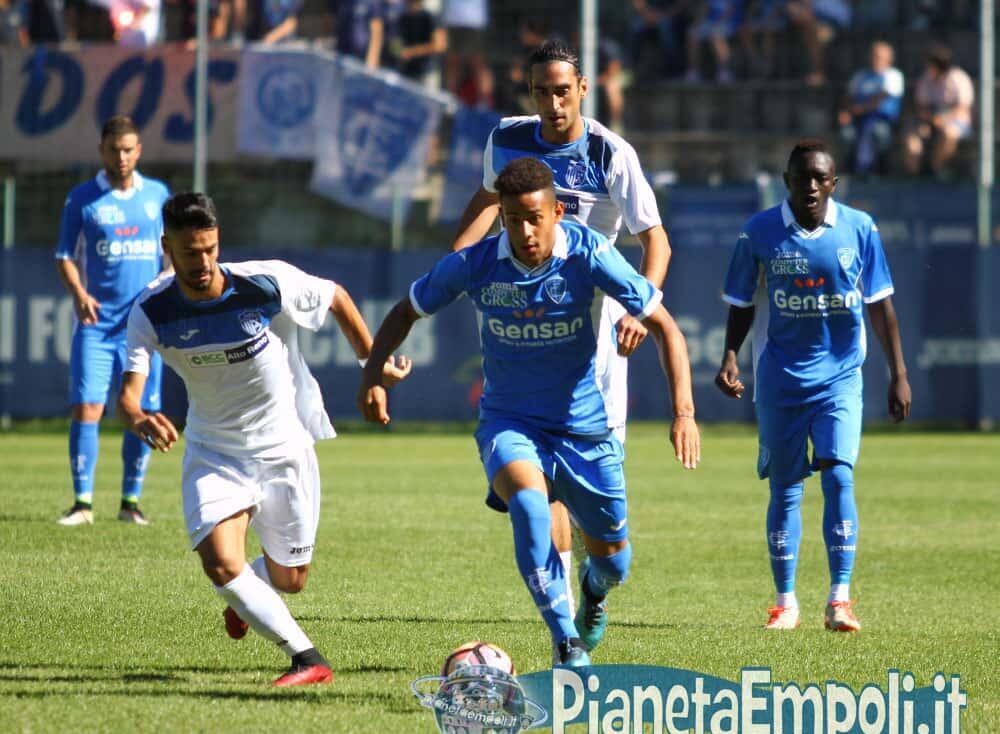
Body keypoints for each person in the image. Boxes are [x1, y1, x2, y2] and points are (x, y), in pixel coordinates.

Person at [359, 157, 699, 666]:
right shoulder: (476, 263)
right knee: (529, 507)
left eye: (535, 218)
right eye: (513, 219)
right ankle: (567, 642)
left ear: (557, 212)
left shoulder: (589, 253)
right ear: (500, 216)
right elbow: (407, 310)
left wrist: (684, 413)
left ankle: (594, 591)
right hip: (509, 422)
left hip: (583, 429)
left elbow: (666, 328)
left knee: (615, 563)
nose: (524, 232)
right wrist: (372, 376)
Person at [118, 192, 411, 686]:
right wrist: (138, 416)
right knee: (220, 563)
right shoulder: (151, 310)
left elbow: (336, 297)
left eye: (210, 249)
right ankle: (308, 658)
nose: (203, 263)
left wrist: (372, 368)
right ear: (167, 248)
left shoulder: (263, 283)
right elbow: (128, 397)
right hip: (215, 451)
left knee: (290, 580)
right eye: (190, 252)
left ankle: (248, 598)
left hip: (284, 448)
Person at [452, 39, 672, 633]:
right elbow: (488, 201)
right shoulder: (507, 139)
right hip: (531, 324)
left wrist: (639, 308)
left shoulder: (610, 153)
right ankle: (564, 622)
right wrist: (460, 260)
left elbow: (655, 239)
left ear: (582, 90)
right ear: (530, 93)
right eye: (542, 92)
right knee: (540, 481)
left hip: (596, 335)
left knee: (596, 509)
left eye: (563, 91)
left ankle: (595, 587)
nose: (553, 104)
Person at [715, 139, 911, 633]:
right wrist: (731, 355)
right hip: (781, 381)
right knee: (785, 489)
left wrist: (899, 374)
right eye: (802, 177)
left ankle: (839, 600)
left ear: (833, 183)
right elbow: (741, 303)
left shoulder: (860, 229)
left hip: (840, 378)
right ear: (787, 182)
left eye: (820, 178)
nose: (811, 186)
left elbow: (880, 305)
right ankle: (785, 603)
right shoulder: (759, 231)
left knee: (839, 475)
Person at [54, 115, 170, 527]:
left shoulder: (157, 195)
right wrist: (79, 293)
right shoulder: (83, 199)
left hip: (144, 327)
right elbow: (64, 256)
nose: (121, 157)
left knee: (143, 410)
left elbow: (171, 252)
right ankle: (82, 503)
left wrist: (169, 285)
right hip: (97, 325)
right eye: (114, 150)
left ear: (138, 151)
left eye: (128, 150)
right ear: (101, 151)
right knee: (87, 406)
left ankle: (130, 503)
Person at [903, 45, 975, 178]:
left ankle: (938, 171)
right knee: (912, 137)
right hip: (930, 121)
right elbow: (921, 106)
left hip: (957, 121)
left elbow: (962, 107)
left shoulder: (959, 78)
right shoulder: (926, 78)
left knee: (949, 133)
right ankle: (913, 175)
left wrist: (943, 119)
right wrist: (932, 119)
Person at [838, 40, 904, 177]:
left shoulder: (893, 75)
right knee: (847, 135)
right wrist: (846, 112)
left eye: (879, 56)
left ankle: (880, 171)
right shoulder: (860, 76)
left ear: (889, 59)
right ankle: (852, 170)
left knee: (879, 133)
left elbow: (882, 97)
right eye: (873, 55)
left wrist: (862, 109)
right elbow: (848, 97)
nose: (875, 59)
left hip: (883, 120)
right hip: (858, 119)